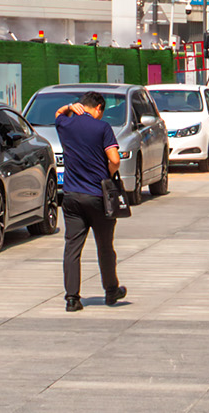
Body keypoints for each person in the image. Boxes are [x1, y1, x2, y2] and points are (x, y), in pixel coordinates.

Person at [55, 85, 128, 312]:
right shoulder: (102, 128)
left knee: (72, 248)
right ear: (98, 108)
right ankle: (111, 291)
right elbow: (114, 159)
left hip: (71, 196)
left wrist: (69, 107)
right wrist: (109, 173)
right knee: (105, 246)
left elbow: (58, 114)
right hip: (98, 196)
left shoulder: (66, 124)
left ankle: (72, 299)